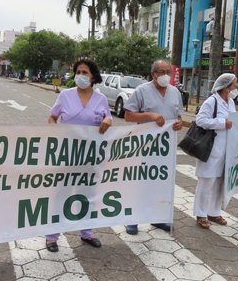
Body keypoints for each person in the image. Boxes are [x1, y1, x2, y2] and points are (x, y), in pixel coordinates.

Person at [45, 57, 112, 252]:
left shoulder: (100, 99)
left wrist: (108, 120)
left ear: (93, 77)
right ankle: (52, 236)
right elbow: (52, 117)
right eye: (78, 72)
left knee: (87, 193)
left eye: (85, 73)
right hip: (67, 152)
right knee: (62, 192)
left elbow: (107, 117)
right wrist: (55, 131)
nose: (81, 76)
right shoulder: (65, 95)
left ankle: (87, 232)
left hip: (90, 154)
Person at [123, 59, 183, 234]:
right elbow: (128, 115)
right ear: (153, 74)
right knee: (140, 183)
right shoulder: (142, 91)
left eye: (168, 72)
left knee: (160, 183)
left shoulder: (174, 92)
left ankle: (157, 218)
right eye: (161, 72)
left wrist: (179, 123)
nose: (165, 75)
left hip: (165, 149)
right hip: (144, 147)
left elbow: (178, 116)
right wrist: (149, 115)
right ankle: (132, 219)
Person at [194, 73, 237, 229]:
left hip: (227, 149)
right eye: (234, 85)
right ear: (226, 87)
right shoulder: (211, 101)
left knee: (220, 182)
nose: (236, 88)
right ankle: (201, 214)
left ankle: (214, 212)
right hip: (211, 148)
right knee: (206, 182)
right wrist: (222, 123)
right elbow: (200, 120)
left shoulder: (231, 101)